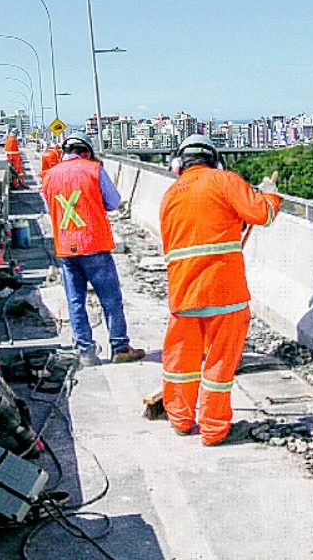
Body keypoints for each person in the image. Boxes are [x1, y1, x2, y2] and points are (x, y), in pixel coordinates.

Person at [158, 134, 281, 446]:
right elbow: (262, 215)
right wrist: (270, 194)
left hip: (183, 293)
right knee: (219, 363)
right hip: (225, 293)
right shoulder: (225, 180)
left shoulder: (169, 194)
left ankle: (181, 419)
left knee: (181, 362)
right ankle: (213, 430)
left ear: (178, 165)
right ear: (215, 160)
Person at [41, 132, 145, 365]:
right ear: (86, 151)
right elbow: (114, 202)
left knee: (75, 300)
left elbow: (50, 208)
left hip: (67, 248)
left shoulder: (49, 176)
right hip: (94, 244)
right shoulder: (93, 169)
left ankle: (85, 352)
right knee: (110, 299)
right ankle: (119, 347)